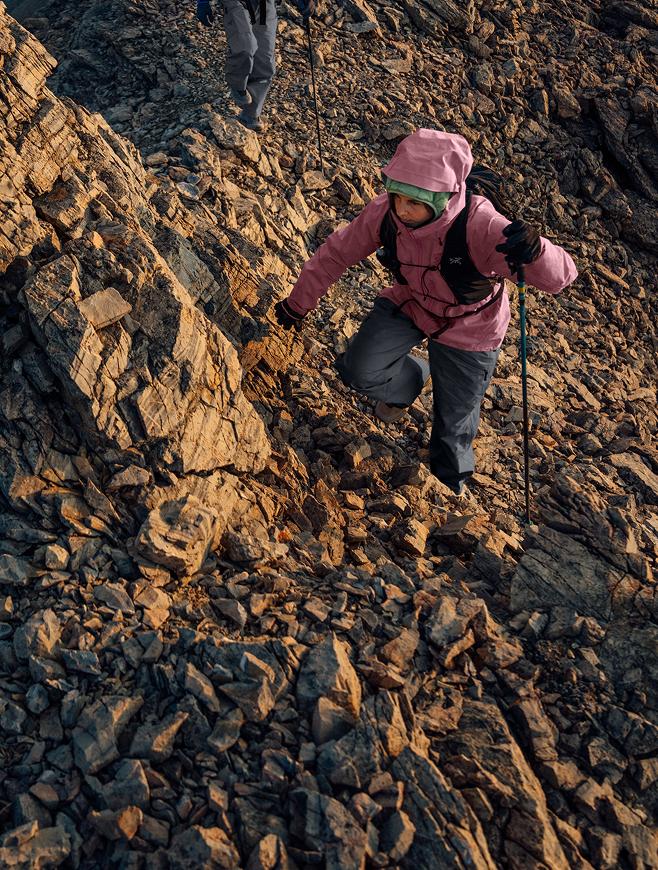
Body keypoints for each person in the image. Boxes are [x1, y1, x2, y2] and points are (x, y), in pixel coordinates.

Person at [274, 129, 577, 495]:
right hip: (412, 302)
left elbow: (562, 277)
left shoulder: (480, 225)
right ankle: (414, 378)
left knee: (454, 421)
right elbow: (336, 253)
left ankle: (451, 487)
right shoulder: (385, 213)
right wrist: (298, 304)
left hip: (472, 327)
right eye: (397, 195)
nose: (402, 209)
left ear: (442, 197)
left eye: (414, 202)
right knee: (357, 369)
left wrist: (537, 251)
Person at [196, 0, 314, 133]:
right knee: (245, 47)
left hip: (266, 4)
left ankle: (250, 114)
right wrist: (202, 2)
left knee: (265, 61)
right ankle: (238, 86)